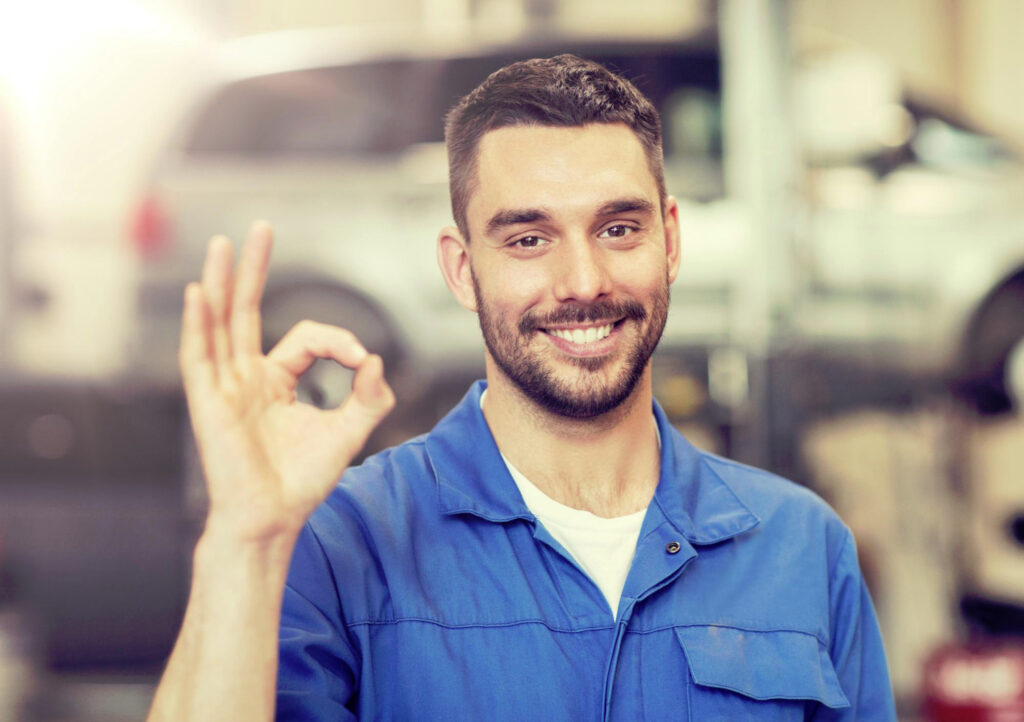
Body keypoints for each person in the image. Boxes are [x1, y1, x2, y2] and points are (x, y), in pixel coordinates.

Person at [147, 55, 896, 721]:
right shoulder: (341, 544)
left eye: (618, 229)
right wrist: (243, 540)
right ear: (462, 268)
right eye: (528, 239)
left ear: (670, 239)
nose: (583, 283)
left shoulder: (801, 546)